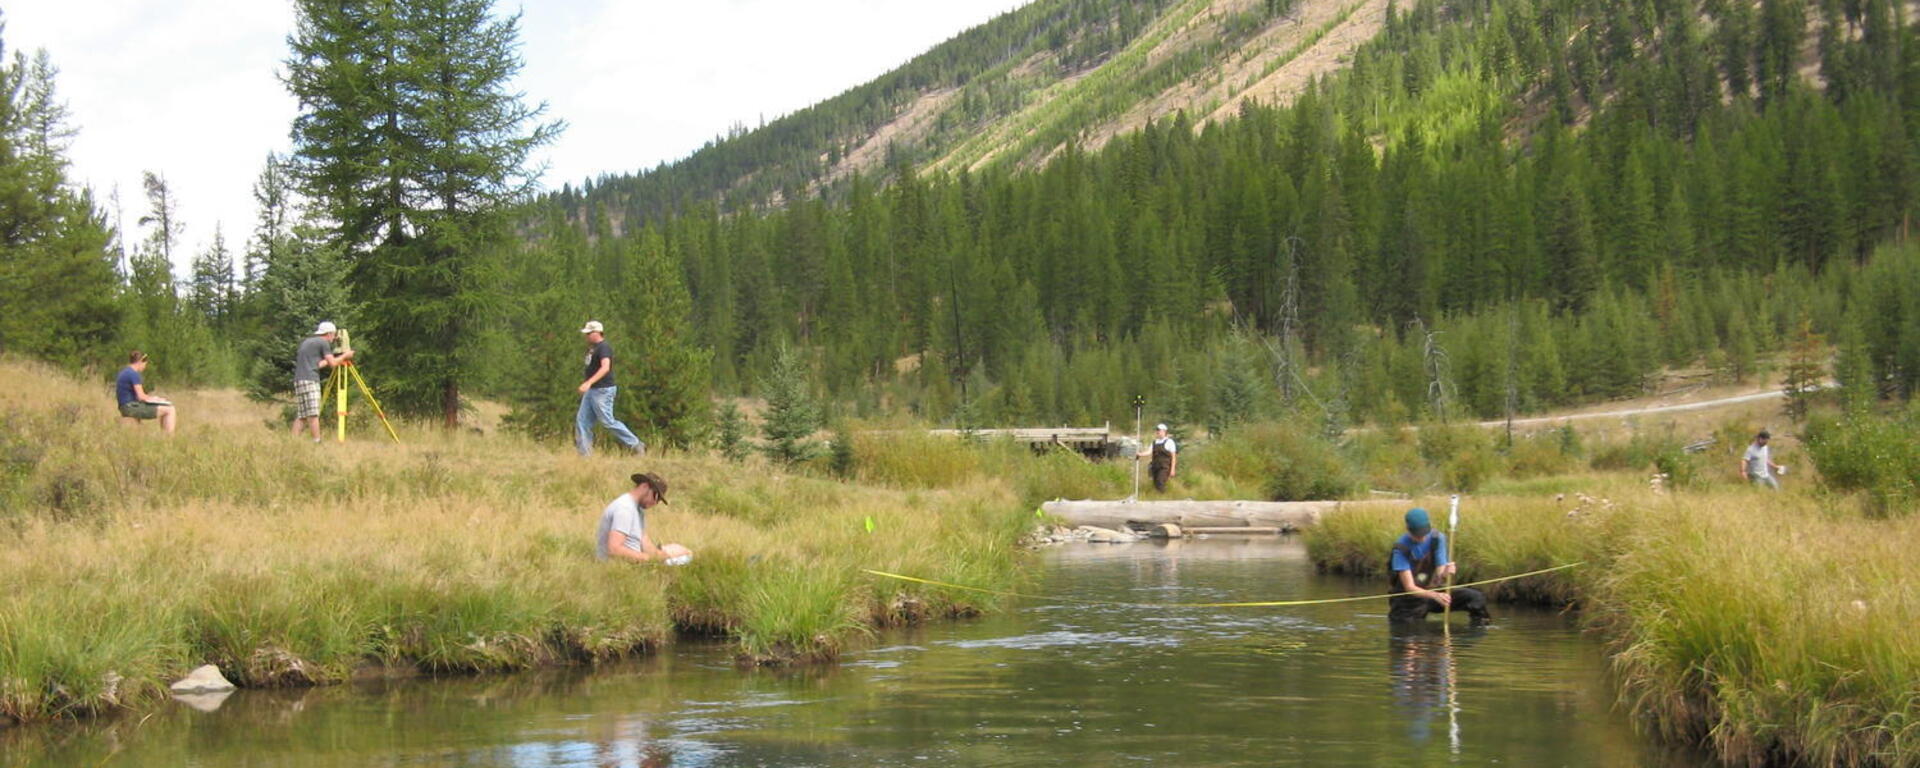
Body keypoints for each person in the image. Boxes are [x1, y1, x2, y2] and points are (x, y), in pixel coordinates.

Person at [1387, 508, 1489, 624]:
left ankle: (1478, 629)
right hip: (1408, 601)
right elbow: (1410, 588)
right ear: (1408, 529)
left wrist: (1446, 571)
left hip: (1433, 592)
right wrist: (1435, 596)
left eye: (1424, 533)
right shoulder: (1400, 549)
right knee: (1411, 635)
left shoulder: (1437, 538)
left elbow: (1441, 576)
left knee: (1475, 597)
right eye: (1417, 535)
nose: (1422, 538)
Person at [576, 320, 646, 457]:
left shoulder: (604, 348)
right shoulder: (592, 348)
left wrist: (588, 383)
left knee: (607, 421)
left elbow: (605, 367)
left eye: (589, 333)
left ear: (597, 333)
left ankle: (636, 444)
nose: (587, 336)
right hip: (592, 391)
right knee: (582, 421)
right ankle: (585, 455)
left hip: (602, 390)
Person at [595, 472, 693, 564]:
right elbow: (614, 549)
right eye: (656, 496)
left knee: (682, 552)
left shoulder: (637, 510)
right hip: (623, 566)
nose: (655, 503)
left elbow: (644, 542)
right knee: (684, 558)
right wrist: (649, 559)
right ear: (645, 486)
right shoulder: (624, 509)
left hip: (637, 560)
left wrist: (662, 555)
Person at [291, 321, 353, 442]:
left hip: (299, 380)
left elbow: (318, 364)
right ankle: (317, 441)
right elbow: (333, 364)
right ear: (329, 334)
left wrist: (336, 356)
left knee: (302, 415)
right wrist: (345, 356)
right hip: (310, 380)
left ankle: (292, 441)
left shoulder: (308, 342)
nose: (334, 338)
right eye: (334, 335)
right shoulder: (323, 342)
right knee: (313, 413)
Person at [115, 350, 176, 435]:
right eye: (145, 364)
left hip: (124, 406)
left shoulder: (124, 372)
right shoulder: (134, 374)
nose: (144, 367)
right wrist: (156, 400)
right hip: (131, 407)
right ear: (140, 362)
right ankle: (168, 438)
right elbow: (141, 396)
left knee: (165, 407)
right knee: (169, 409)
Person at [1135, 423, 1178, 492]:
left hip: (1165, 467)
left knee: (1160, 482)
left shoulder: (1170, 442)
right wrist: (1140, 454)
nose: (1158, 432)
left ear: (1164, 431)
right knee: (1155, 484)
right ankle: (1160, 497)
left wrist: (1172, 469)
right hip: (1155, 466)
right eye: (1157, 430)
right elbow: (1149, 452)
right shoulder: (1155, 442)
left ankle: (1163, 497)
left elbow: (1173, 457)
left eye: (1159, 430)